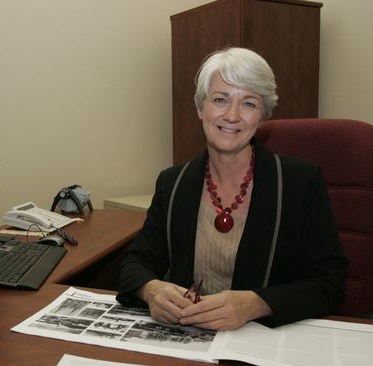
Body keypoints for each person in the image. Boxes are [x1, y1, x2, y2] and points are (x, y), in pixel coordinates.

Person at [116, 47, 349, 330]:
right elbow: (135, 263)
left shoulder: (301, 182)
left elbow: (329, 282)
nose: (232, 115)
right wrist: (151, 289)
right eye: (220, 100)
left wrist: (255, 303)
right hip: (187, 339)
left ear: (262, 115)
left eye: (249, 103)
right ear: (201, 109)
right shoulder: (172, 182)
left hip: (261, 340)